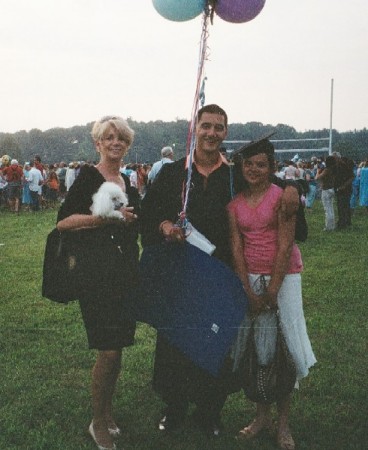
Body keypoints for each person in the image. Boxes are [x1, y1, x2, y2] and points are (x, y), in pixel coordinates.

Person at [140, 104, 300, 437]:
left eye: (219, 127)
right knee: (175, 342)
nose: (212, 133)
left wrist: (292, 188)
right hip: (181, 274)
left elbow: (268, 184)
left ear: (226, 132)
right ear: (194, 128)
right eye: (206, 126)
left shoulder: (234, 174)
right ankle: (174, 407)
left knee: (216, 344)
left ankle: (209, 411)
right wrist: (165, 225)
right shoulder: (173, 173)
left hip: (221, 275)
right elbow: (148, 214)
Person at [56, 115, 140, 450]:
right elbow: (64, 223)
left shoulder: (128, 181)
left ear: (127, 144)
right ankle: (96, 421)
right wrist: (102, 219)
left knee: (116, 350)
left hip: (124, 275)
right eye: (109, 137)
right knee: (107, 351)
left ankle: (106, 413)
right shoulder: (88, 178)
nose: (115, 143)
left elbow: (135, 222)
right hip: (96, 276)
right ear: (98, 143)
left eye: (121, 138)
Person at [227, 138, 316, 450]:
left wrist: (273, 290)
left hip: (284, 278)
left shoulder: (283, 198)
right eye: (249, 164)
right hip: (250, 278)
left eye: (261, 164)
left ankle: (283, 425)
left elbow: (286, 244)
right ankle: (260, 416)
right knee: (259, 349)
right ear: (241, 166)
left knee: (284, 348)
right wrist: (247, 289)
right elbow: (236, 247)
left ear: (271, 168)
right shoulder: (234, 203)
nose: (254, 169)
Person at [315, 156, 337, 231]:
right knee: (331, 208)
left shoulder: (327, 170)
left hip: (326, 190)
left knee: (327, 210)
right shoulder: (334, 170)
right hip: (332, 189)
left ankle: (328, 227)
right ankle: (332, 225)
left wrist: (318, 171)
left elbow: (317, 178)